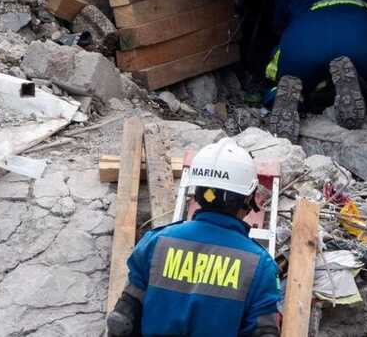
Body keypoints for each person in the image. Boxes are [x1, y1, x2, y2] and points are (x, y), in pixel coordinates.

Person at [107, 138, 281, 337]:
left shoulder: (155, 243)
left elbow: (121, 321)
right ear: (248, 198)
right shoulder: (260, 265)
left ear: (197, 193)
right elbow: (263, 331)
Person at [264, 0, 367, 140]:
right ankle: (360, 86)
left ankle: (285, 95)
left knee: (277, 73)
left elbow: (277, 23)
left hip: (305, 37)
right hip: (360, 32)